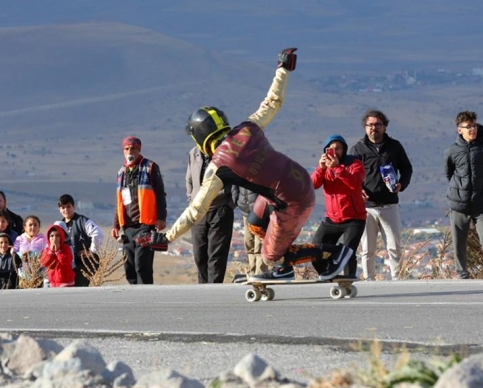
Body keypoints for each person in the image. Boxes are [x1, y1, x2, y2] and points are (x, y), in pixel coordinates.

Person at [135, 48, 354, 282]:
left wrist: (167, 237)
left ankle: (328, 253)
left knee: (270, 256)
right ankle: (284, 259)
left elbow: (195, 212)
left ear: (199, 138)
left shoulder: (218, 167)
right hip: (297, 178)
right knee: (254, 224)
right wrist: (283, 69)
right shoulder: (247, 127)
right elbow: (273, 102)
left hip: (293, 201)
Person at [349, 109, 414, 281]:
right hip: (366, 208)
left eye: (378, 124)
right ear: (365, 127)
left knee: (393, 246)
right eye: (370, 125)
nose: (374, 128)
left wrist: (402, 184)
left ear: (385, 127)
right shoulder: (357, 149)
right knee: (367, 249)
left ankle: (397, 279)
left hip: (389, 205)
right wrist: (357, 189)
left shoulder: (395, 147)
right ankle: (369, 280)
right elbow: (349, 175)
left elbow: (407, 168)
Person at [444, 111, 483, 279]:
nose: (472, 129)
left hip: (482, 203)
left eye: (474, 125)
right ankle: (462, 274)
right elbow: (449, 174)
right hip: (459, 203)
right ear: (459, 130)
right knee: (459, 241)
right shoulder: (452, 151)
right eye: (468, 127)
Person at [111, 136, 168, 284]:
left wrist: (161, 217)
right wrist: (116, 224)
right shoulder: (121, 172)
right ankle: (134, 299)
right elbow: (119, 201)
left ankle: (146, 300)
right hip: (127, 227)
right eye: (126, 149)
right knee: (129, 266)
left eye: (133, 148)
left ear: (139, 150)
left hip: (145, 224)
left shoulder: (150, 167)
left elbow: (160, 194)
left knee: (142, 265)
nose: (130, 151)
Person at [311, 134, 366, 280]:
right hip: (332, 219)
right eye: (331, 148)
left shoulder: (355, 164)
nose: (335, 151)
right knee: (315, 249)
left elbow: (355, 184)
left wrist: (337, 168)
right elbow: (312, 185)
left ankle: (348, 281)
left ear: (344, 150)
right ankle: (327, 275)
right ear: (325, 150)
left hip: (354, 218)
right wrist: (321, 169)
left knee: (347, 253)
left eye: (339, 148)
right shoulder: (325, 168)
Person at [186, 146, 237, 283]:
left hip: (220, 208)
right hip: (198, 210)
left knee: (216, 256)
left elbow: (237, 178)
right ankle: (203, 290)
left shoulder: (226, 151)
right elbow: (189, 179)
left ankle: (214, 292)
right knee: (199, 255)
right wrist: (191, 201)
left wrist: (230, 205)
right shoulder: (193, 153)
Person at [58, 194, 104, 287]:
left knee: (79, 287)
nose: (66, 210)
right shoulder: (60, 225)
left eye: (68, 207)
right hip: (69, 264)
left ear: (73, 207)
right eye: (63, 207)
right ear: (59, 209)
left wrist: (92, 251)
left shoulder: (82, 221)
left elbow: (98, 233)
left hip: (84, 262)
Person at [41, 222, 75, 287]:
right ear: (48, 238)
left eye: (57, 235)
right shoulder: (47, 249)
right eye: (52, 236)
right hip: (52, 282)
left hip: (66, 281)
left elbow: (66, 261)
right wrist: (51, 252)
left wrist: (58, 251)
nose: (54, 238)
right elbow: (44, 263)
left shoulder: (66, 248)